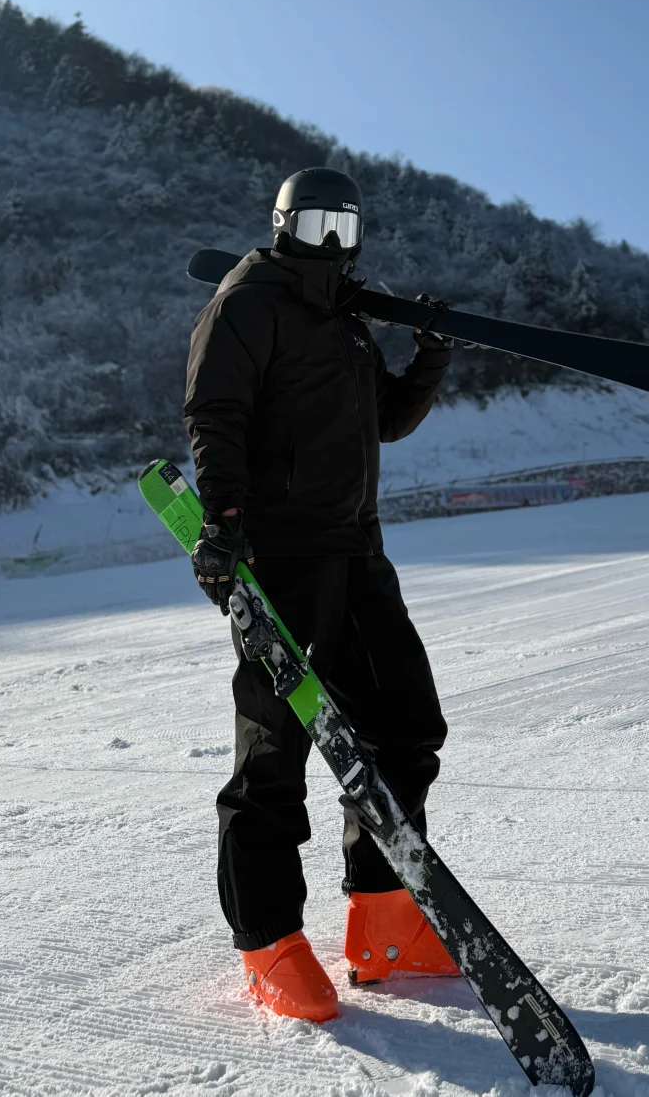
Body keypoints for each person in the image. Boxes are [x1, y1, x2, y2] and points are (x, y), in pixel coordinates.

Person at [184, 166, 457, 1023]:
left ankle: (381, 914)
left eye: (346, 227)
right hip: (284, 554)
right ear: (282, 225)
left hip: (357, 549)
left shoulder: (347, 325)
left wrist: (430, 360)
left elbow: (383, 419)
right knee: (277, 749)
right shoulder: (247, 302)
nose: (334, 243)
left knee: (407, 726)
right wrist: (222, 522)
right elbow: (214, 412)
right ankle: (268, 941)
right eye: (317, 226)